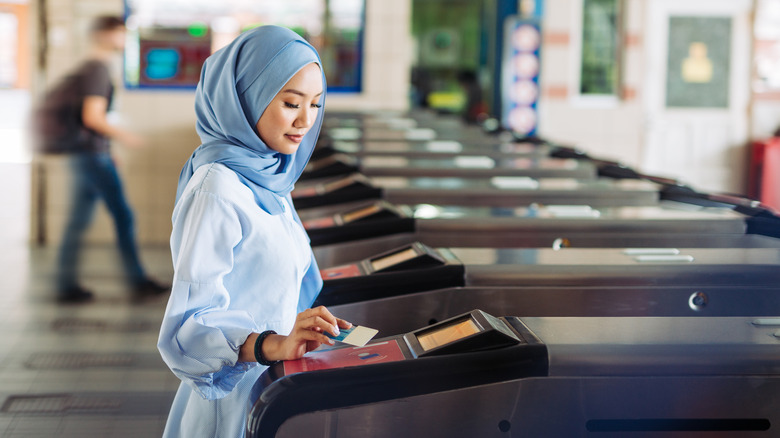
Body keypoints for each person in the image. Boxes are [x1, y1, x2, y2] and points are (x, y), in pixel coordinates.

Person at [157, 25, 352, 437]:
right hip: (227, 405)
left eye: (316, 105)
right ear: (245, 98)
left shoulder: (269, 176)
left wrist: (300, 328)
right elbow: (190, 326)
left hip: (271, 390)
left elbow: (263, 287)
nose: (305, 120)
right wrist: (270, 343)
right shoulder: (217, 187)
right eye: (290, 102)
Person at [40, 15, 168, 303]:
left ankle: (66, 284)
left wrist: (109, 149)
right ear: (106, 34)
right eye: (121, 34)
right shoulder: (96, 70)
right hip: (92, 157)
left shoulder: (90, 68)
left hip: (89, 155)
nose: (124, 40)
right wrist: (125, 137)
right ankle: (137, 280)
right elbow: (92, 117)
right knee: (123, 215)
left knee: (79, 221)